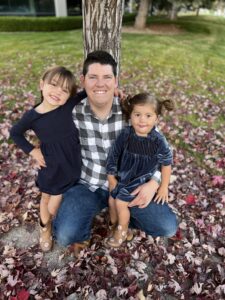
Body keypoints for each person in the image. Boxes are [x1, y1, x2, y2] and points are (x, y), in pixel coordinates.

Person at [53, 50, 178, 256]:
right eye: (93, 77)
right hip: (88, 184)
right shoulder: (72, 113)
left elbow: (157, 150)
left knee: (166, 226)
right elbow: (47, 119)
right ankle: (86, 229)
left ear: (115, 80)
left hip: (129, 184)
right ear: (83, 80)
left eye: (107, 77)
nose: (100, 84)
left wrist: (154, 182)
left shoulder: (133, 112)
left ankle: (123, 219)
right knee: (66, 235)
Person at [10, 66, 83, 252]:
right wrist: (32, 151)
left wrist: (111, 90)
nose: (58, 92)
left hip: (72, 162)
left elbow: (87, 93)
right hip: (51, 165)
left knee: (60, 199)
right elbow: (15, 133)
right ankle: (45, 228)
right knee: (47, 200)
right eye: (54, 85)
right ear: (42, 85)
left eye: (65, 90)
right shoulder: (32, 117)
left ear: (69, 96)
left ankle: (61, 222)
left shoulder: (67, 105)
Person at [106, 93, 174, 247]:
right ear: (130, 115)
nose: (142, 120)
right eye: (137, 114)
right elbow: (114, 155)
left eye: (148, 115)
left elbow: (167, 164)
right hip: (123, 177)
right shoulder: (126, 134)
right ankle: (116, 226)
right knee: (111, 201)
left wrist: (163, 186)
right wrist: (111, 177)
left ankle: (122, 230)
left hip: (140, 181)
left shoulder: (158, 141)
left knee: (120, 203)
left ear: (156, 118)